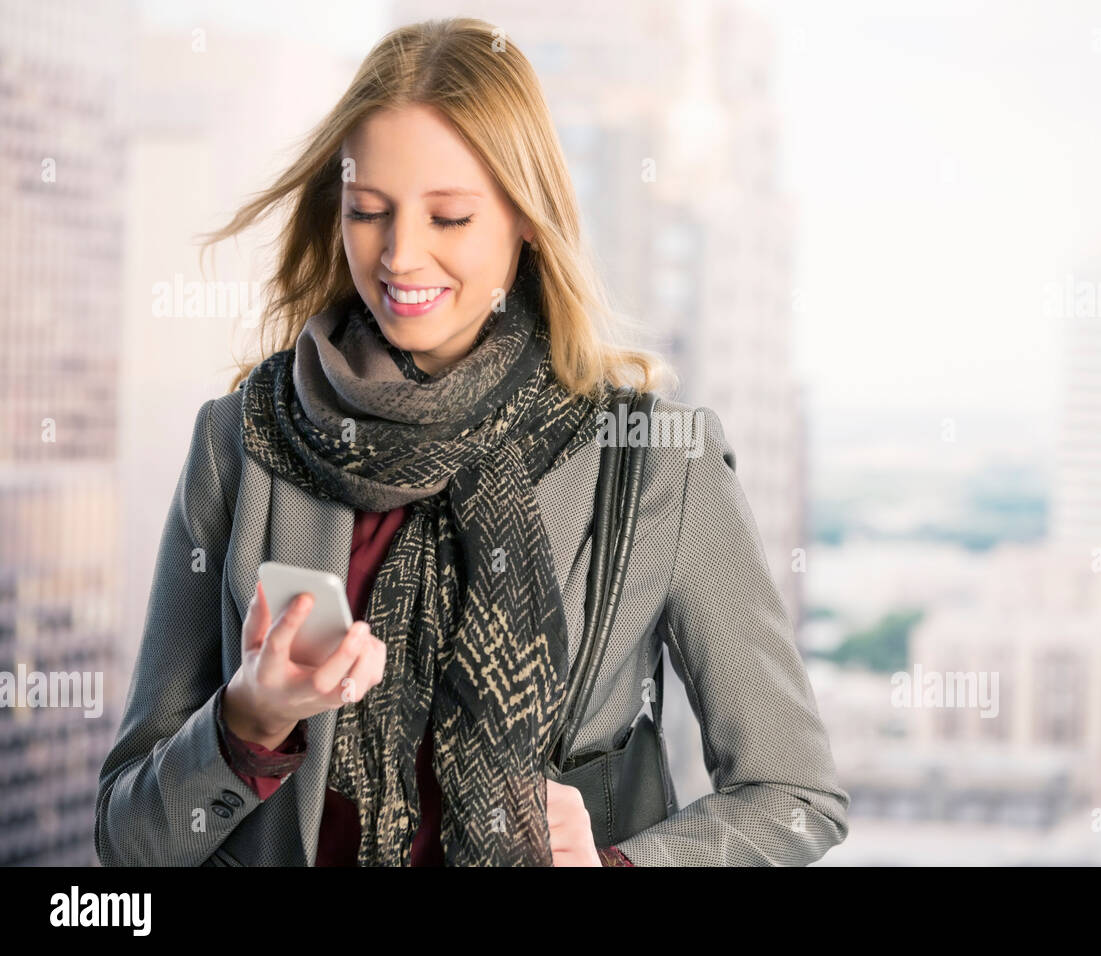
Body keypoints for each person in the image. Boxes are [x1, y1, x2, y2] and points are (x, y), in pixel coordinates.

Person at [95, 16, 849, 867]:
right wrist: (249, 720)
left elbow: (794, 798)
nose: (400, 256)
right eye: (368, 212)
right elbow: (132, 845)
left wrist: (620, 864)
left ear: (527, 219)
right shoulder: (242, 444)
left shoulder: (658, 462)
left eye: (449, 217)